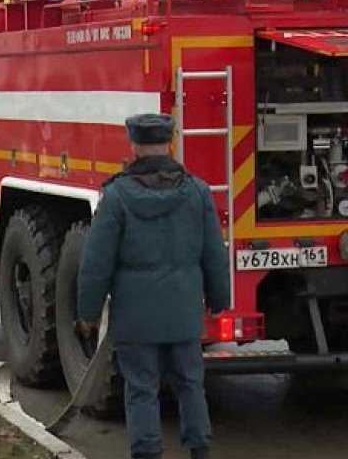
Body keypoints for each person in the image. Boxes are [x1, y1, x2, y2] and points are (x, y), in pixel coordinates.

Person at [77, 113, 230, 459]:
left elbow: (95, 263)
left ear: (133, 146)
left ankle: (147, 453)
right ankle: (199, 450)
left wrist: (87, 312)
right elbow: (213, 254)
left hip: (135, 316)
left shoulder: (116, 196)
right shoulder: (197, 192)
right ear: (170, 143)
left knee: (141, 388)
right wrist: (219, 298)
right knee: (191, 384)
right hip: (183, 311)